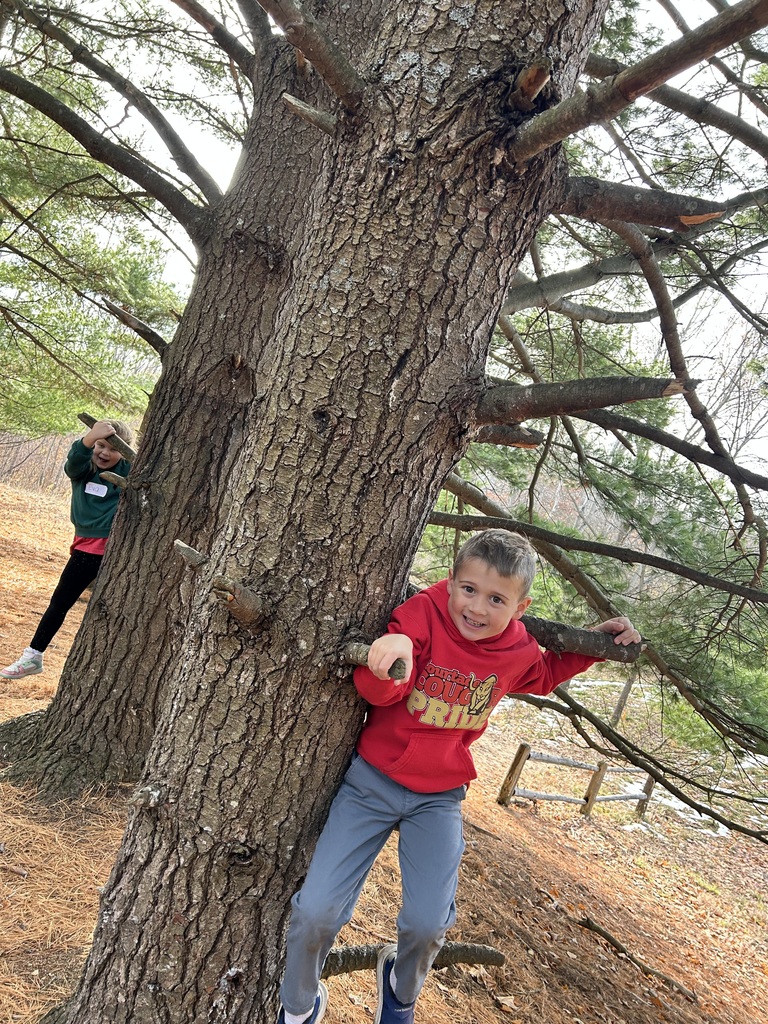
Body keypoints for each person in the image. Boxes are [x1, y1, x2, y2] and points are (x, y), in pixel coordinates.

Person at [277, 529, 641, 1024]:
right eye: (468, 589)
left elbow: (544, 673)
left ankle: (399, 989)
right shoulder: (422, 615)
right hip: (371, 784)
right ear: (450, 582)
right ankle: (299, 1005)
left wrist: (598, 644)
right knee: (316, 910)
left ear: (520, 606)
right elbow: (377, 690)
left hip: (439, 799)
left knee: (428, 924)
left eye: (496, 599)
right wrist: (390, 660)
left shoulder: (515, 650)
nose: (477, 607)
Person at [1, 419, 133, 679]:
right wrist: (88, 439)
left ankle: (33, 654)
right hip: (85, 547)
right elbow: (75, 459)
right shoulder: (82, 471)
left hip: (110, 547)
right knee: (61, 603)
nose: (105, 453)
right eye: (100, 445)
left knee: (70, 603)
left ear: (124, 452)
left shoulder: (129, 471)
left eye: (114, 448)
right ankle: (34, 657)